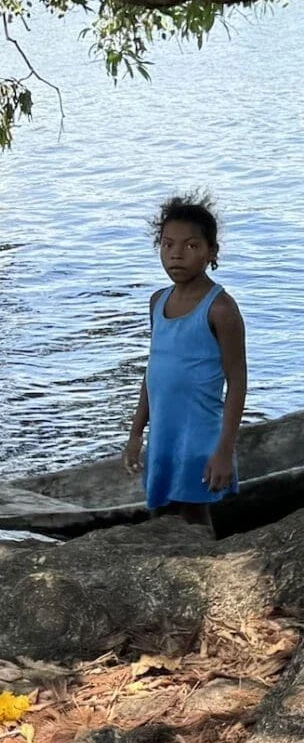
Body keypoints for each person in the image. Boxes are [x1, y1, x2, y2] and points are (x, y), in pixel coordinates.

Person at [125, 195, 247, 533]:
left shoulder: (220, 309)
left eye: (191, 245)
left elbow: (237, 383)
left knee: (195, 515)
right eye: (167, 244)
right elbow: (154, 373)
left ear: (211, 252)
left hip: (199, 437)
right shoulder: (157, 302)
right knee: (159, 513)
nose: (176, 254)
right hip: (163, 436)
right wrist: (136, 433)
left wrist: (224, 451)